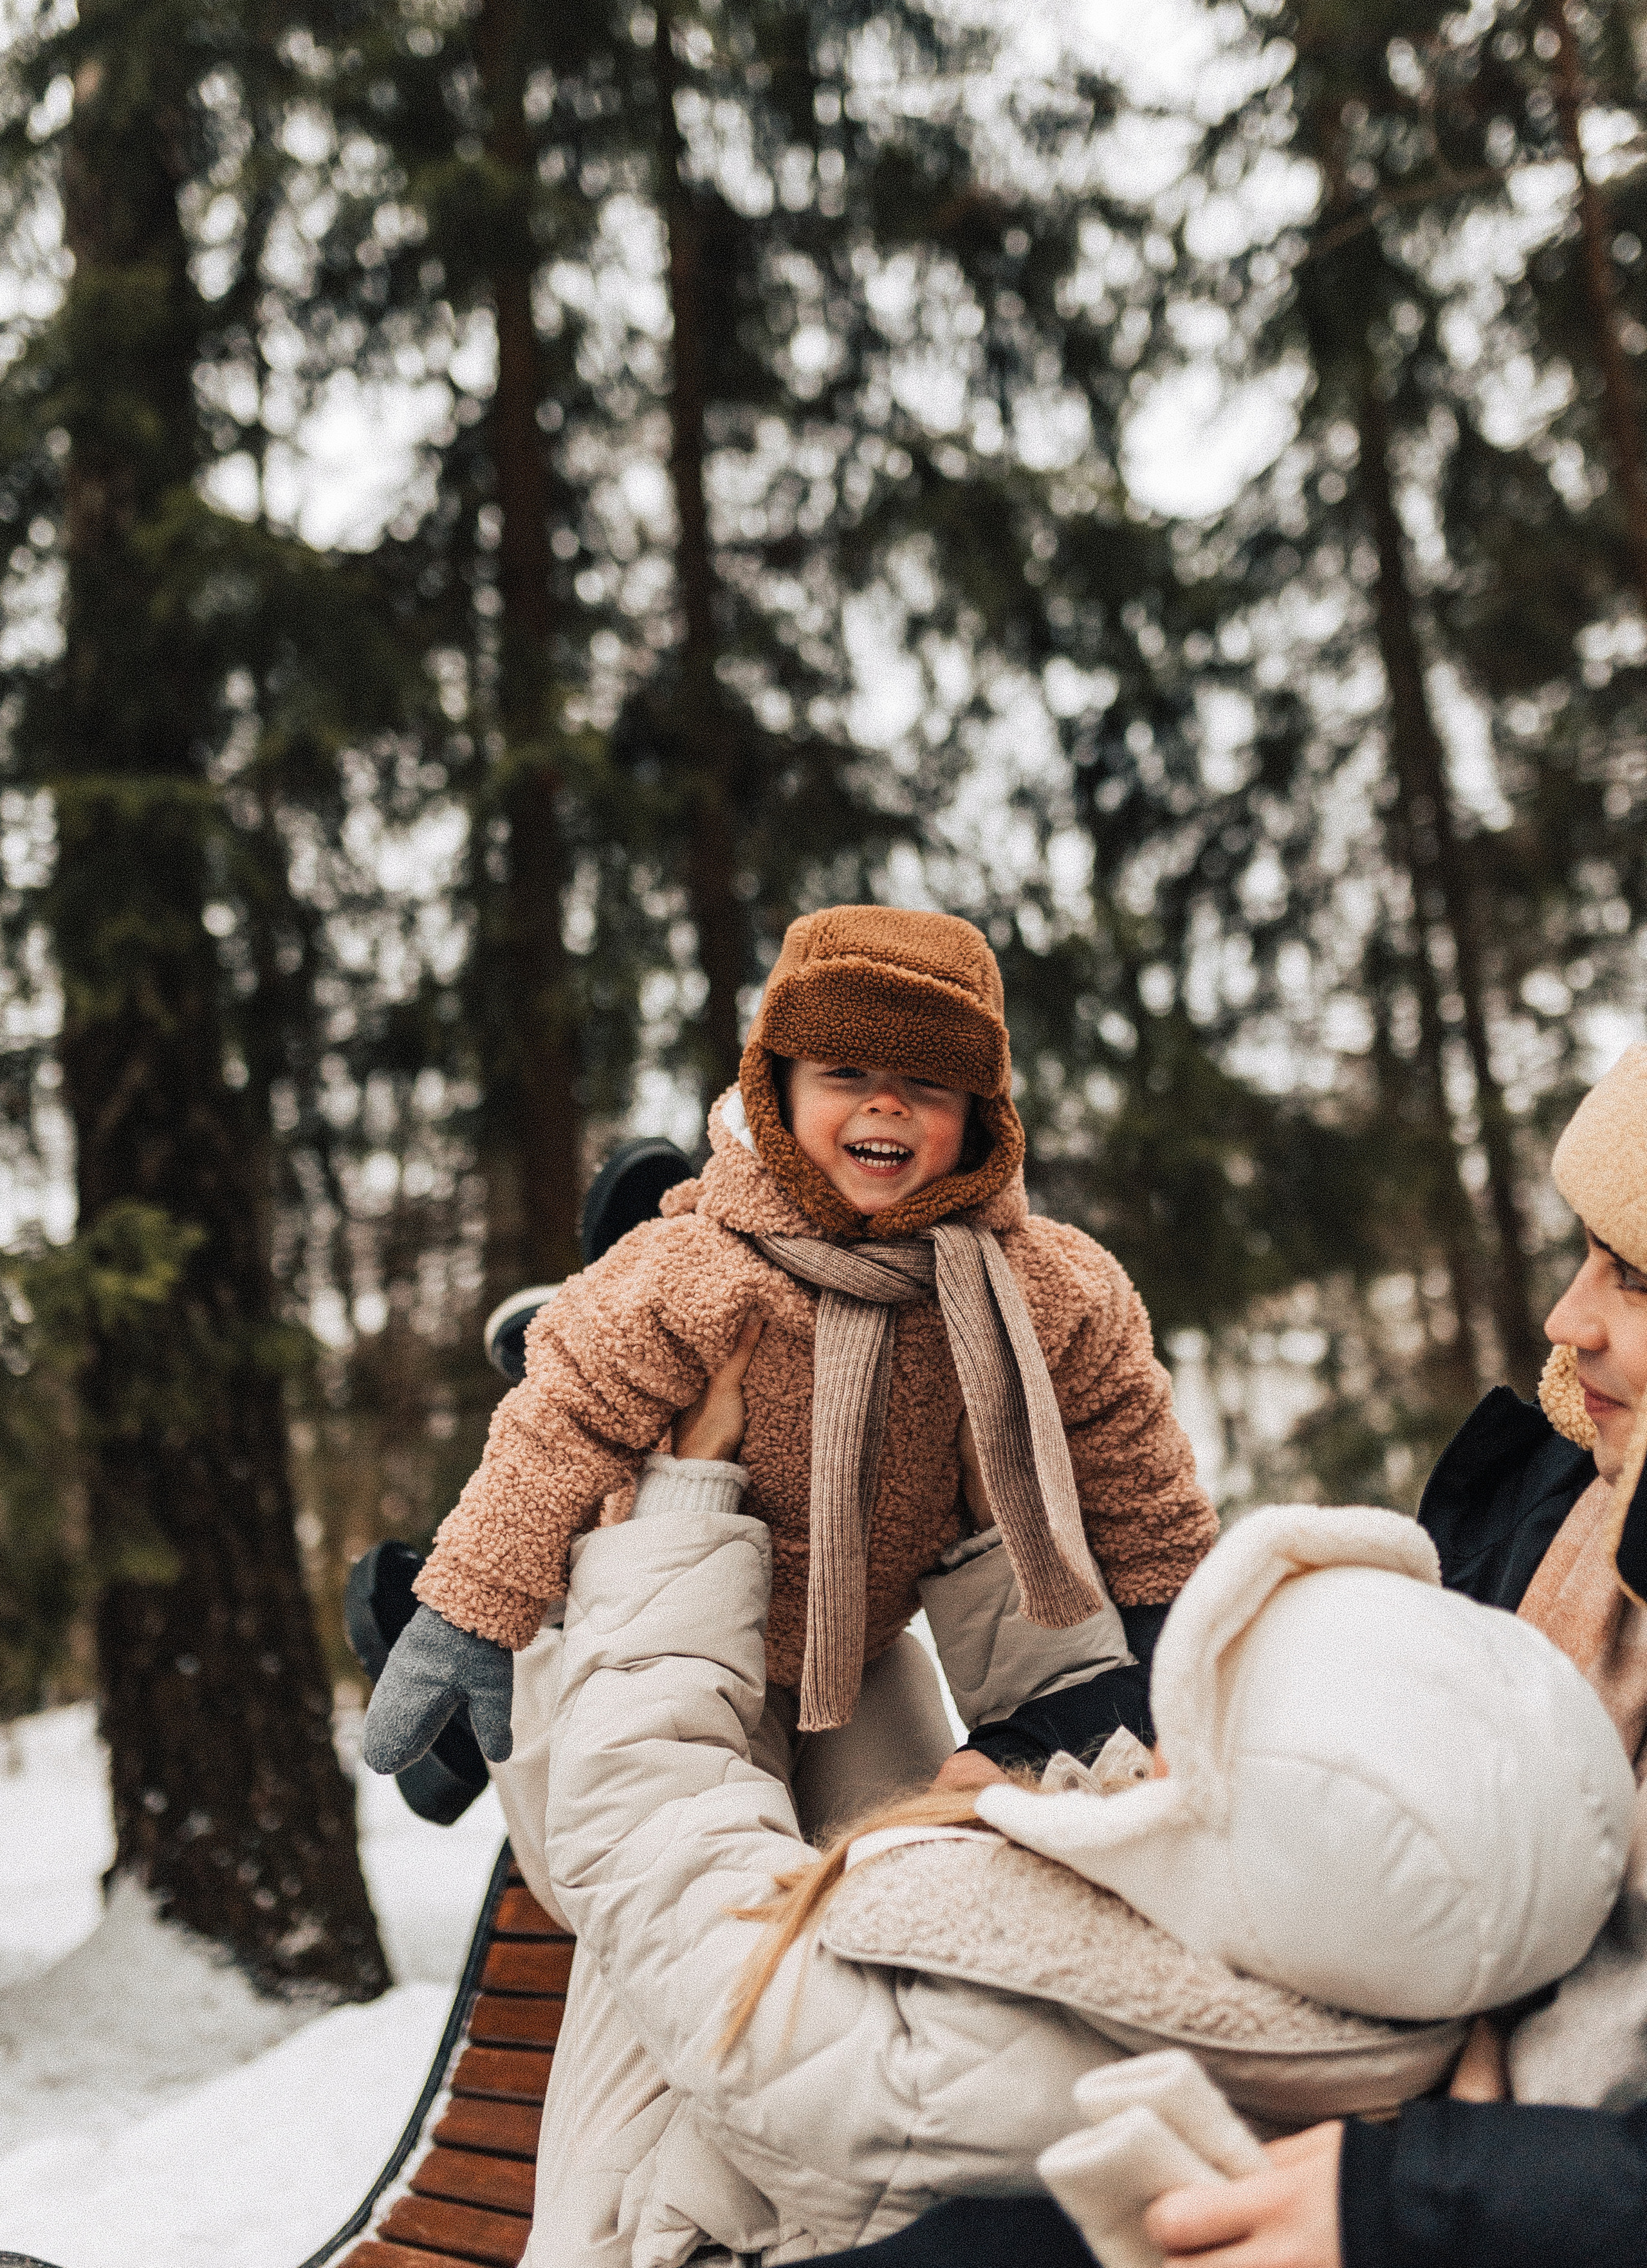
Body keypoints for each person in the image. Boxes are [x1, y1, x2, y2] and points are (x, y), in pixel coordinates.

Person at [522, 1446, 1627, 2268]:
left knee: (683, 1748)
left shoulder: (930, 2062)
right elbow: (1146, 1793)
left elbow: (645, 1821)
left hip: (649, 2222)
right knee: (861, 1677)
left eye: (1188, 1755)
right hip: (823, 2115)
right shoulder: (1379, 1973)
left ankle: (535, 1636)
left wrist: (690, 1487)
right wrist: (979, 1517)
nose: (1143, 1763)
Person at [362, 903, 1217, 1808]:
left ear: (980, 1115)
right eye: (844, 1071)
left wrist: (1172, 1634)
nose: (885, 1102)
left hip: (860, 1648)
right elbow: (561, 1422)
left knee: (903, 1834)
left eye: (928, 1083)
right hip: (677, 1594)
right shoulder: (700, 1271)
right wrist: (472, 1609)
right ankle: (461, 1701)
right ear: (776, 1090)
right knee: (648, 1788)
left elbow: (1137, 1475)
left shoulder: (1048, 1291)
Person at [1146, 1041, 1647, 2267]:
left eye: (1634, 1278)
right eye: (1582, 1255)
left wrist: (1411, 2201)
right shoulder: (1557, 1496)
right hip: (1397, 2107)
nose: (1566, 1319)